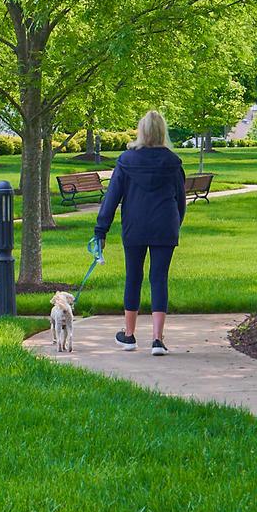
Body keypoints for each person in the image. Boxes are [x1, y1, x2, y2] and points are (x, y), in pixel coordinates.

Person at [90, 109, 188, 356]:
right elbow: (180, 201)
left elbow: (111, 198)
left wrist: (101, 230)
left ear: (141, 131)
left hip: (134, 226)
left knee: (133, 277)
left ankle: (129, 335)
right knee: (159, 278)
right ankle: (157, 339)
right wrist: (176, 224)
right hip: (165, 225)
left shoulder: (126, 160)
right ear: (162, 132)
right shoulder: (173, 162)